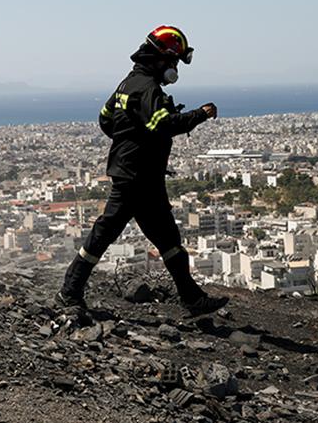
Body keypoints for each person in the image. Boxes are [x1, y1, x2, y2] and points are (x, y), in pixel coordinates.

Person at [55, 25, 229, 317]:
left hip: (135, 174)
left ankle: (191, 297)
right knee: (112, 234)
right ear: (160, 59)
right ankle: (69, 291)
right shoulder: (148, 89)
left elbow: (105, 118)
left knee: (164, 239)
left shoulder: (128, 84)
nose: (174, 69)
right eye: (173, 62)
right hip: (138, 178)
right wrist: (201, 114)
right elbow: (164, 124)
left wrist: (128, 140)